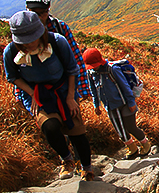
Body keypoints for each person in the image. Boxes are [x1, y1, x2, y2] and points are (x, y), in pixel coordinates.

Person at [3, 11, 94, 181]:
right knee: (49, 127)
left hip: (63, 90)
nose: (29, 44)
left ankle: (87, 168)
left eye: (32, 39)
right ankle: (66, 159)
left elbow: (72, 69)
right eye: (24, 41)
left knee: (76, 131)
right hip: (38, 95)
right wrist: (32, 94)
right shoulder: (11, 52)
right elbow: (13, 77)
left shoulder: (57, 42)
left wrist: (71, 97)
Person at [22, 0, 91, 101]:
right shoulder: (21, 31)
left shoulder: (60, 28)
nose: (37, 18)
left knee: (73, 117)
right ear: (26, 9)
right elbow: (18, 64)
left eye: (41, 13)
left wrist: (83, 88)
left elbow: (75, 58)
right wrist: (20, 94)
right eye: (33, 13)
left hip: (64, 88)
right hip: (36, 91)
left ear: (48, 10)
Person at [84, 48, 151, 159]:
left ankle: (145, 144)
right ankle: (132, 148)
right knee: (119, 130)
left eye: (94, 65)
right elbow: (93, 90)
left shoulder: (112, 69)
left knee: (130, 127)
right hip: (110, 106)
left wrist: (131, 102)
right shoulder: (91, 72)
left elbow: (124, 86)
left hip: (124, 103)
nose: (93, 68)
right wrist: (96, 105)